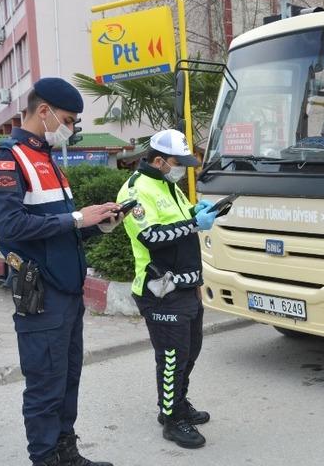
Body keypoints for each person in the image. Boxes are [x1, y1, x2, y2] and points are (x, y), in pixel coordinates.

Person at [0, 77, 119, 466]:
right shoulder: (9, 157)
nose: (71, 128)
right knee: (45, 385)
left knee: (67, 379)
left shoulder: (47, 159)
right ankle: (45, 458)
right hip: (40, 291)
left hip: (67, 290)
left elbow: (59, 229)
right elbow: (11, 226)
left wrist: (98, 223)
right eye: (69, 119)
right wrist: (78, 218)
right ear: (43, 111)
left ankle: (66, 452)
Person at [117, 129, 218, 449]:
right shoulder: (135, 190)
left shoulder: (168, 184)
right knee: (172, 357)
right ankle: (172, 419)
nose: (182, 169)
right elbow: (151, 236)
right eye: (178, 163)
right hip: (160, 289)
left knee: (190, 351)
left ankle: (177, 403)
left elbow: (179, 220)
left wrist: (195, 212)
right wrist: (194, 224)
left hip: (186, 286)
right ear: (159, 160)